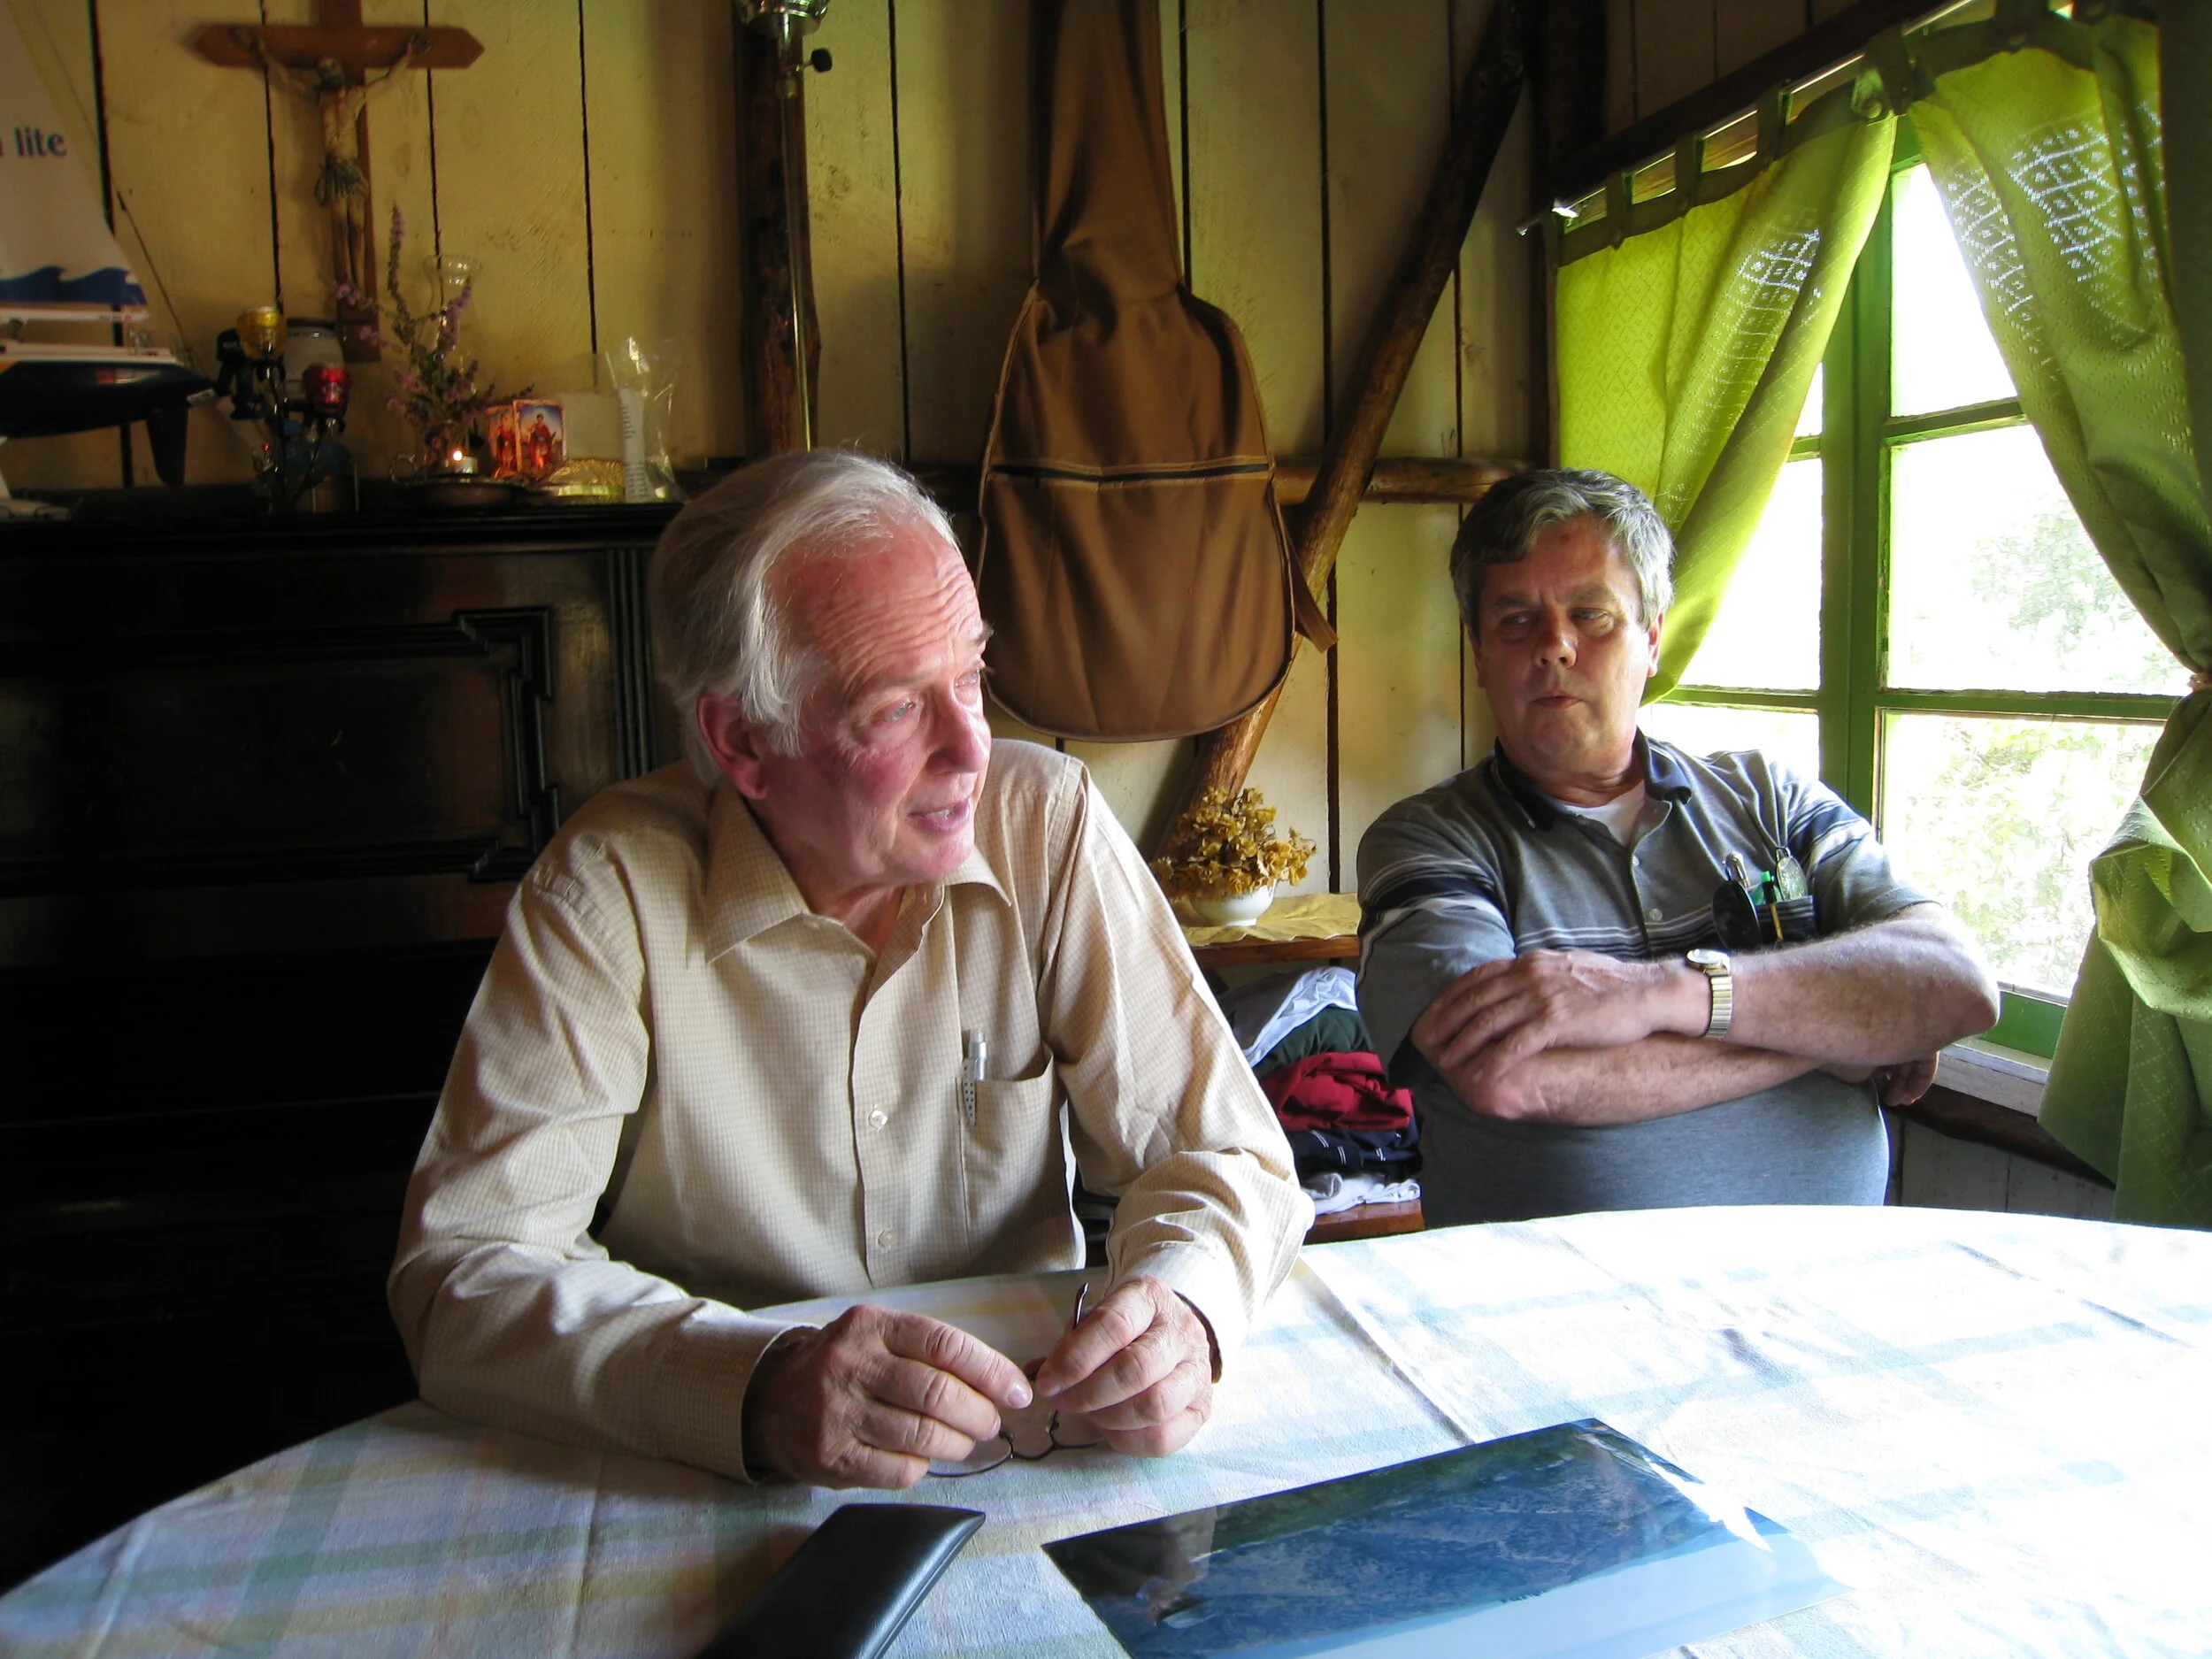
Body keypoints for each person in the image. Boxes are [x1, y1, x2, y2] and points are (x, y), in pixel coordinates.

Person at [390, 449, 1307, 1487]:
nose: (973, 746)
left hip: (1034, 1448)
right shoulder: (612, 892)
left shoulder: (1042, 824)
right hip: (730, 1483)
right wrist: (751, 1381)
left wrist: (1184, 1306)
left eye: (969, 674)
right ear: (743, 741)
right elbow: (465, 1273)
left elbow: (1228, 1158)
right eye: (895, 708)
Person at [1356, 469, 1999, 1225]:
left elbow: (1957, 983)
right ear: (1479, 652)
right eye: (1515, 619)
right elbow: (1518, 1073)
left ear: (1653, 638)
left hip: (1832, 1289)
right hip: (1554, 1314)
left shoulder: (1770, 797)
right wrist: (1842, 1033)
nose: (1555, 646)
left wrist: (1663, 993)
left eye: (1591, 615)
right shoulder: (1427, 840)